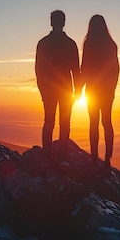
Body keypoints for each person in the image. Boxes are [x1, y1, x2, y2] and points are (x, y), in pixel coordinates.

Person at [35, 10, 80, 160]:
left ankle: (47, 154)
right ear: (64, 22)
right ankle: (62, 156)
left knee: (48, 121)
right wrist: (78, 92)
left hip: (48, 89)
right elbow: (76, 71)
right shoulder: (70, 44)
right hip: (66, 88)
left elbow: (39, 70)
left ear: (51, 22)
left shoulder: (43, 43)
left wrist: (42, 90)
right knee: (65, 122)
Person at [80, 15, 119, 167]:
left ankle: (94, 156)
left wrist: (79, 89)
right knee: (107, 122)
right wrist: (112, 88)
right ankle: (108, 158)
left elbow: (85, 67)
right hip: (107, 91)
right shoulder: (111, 45)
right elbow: (115, 69)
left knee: (93, 123)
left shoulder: (89, 43)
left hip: (92, 90)